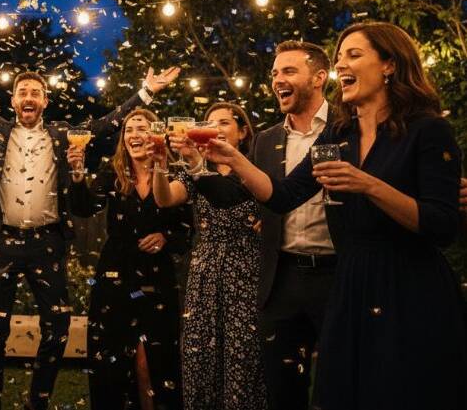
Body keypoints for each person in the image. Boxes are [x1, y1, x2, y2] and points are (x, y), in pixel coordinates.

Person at [0, 49, 180, 410]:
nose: (28, 97)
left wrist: (146, 90)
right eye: (22, 92)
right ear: (13, 100)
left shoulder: (62, 134)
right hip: (1, 241)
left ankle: (38, 401)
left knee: (58, 326)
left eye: (35, 93)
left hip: (48, 241)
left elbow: (107, 124)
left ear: (45, 101)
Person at [206, 22, 467, 409]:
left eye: (354, 55)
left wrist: (368, 184)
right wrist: (234, 158)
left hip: (407, 282)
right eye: (340, 55)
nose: (342, 63)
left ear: (389, 65)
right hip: (351, 283)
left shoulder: (427, 130)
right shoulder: (339, 135)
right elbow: (282, 196)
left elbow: (442, 226)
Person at [66, 108, 185, 410]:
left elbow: (188, 227)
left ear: (155, 134)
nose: (134, 135)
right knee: (113, 358)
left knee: (154, 359)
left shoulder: (175, 171)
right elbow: (83, 208)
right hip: (116, 275)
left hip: (157, 276)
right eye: (129, 129)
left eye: (142, 128)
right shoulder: (113, 171)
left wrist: (166, 237)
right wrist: (78, 176)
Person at [251, 41, 335, 410]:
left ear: (319, 77)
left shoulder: (348, 130)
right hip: (280, 279)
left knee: (339, 387)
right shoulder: (266, 140)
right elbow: (263, 198)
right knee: (281, 392)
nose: (277, 80)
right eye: (274, 73)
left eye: (288, 71)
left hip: (338, 275)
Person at [170, 102, 268, 410]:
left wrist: (273, 219)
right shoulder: (199, 170)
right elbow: (166, 198)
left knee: (243, 350)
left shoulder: (257, 167)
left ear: (242, 132)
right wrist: (162, 163)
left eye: (224, 123)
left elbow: (280, 196)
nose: (216, 128)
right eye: (210, 123)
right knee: (202, 351)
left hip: (247, 264)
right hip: (206, 267)